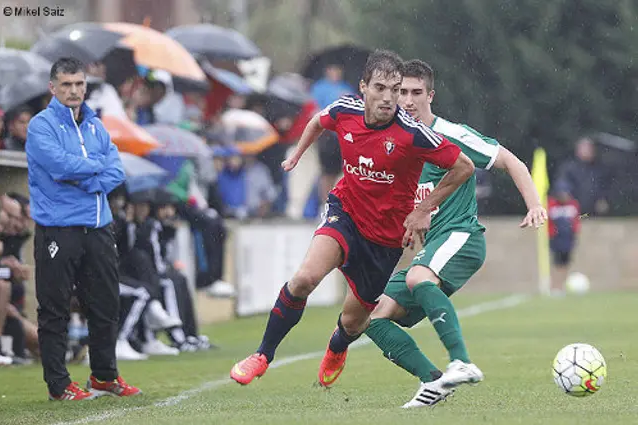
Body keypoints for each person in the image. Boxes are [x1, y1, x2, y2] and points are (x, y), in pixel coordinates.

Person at [230, 50, 475, 386]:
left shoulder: (413, 133)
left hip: (384, 240)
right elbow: (317, 121)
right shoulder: (346, 110)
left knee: (353, 322)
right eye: (380, 88)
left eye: (394, 89)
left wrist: (421, 210)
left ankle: (337, 345)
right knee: (304, 279)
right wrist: (297, 155)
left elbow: (464, 166)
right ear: (363, 88)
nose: (389, 97)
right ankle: (262, 355)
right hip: (344, 214)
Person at [359, 59, 547, 408]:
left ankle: (461, 362)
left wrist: (534, 204)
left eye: (417, 92)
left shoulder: (451, 135)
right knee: (368, 315)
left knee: (418, 277)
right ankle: (432, 382)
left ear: (431, 95)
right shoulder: (394, 142)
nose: (409, 100)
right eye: (402, 92)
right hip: (432, 247)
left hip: (463, 236)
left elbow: (512, 162)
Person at [25, 57, 141, 400]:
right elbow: (60, 166)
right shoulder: (40, 126)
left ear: (85, 86)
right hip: (58, 228)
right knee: (54, 309)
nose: (73, 90)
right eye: (66, 85)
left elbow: (116, 170)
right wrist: (95, 170)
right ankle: (59, 385)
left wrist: (91, 176)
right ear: (53, 87)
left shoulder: (95, 126)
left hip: (99, 225)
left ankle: (104, 376)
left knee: (106, 304)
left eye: (78, 84)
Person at [547, 181, 581, 295]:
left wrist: (575, 235)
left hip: (568, 239)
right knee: (556, 263)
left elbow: (576, 222)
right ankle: (554, 287)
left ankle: (562, 286)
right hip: (556, 239)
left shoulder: (573, 205)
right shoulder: (551, 204)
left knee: (565, 263)